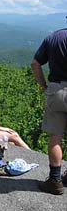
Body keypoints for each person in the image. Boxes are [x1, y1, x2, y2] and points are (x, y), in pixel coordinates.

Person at [31, 28, 67, 195]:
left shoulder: (54, 37)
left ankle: (55, 181)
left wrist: (43, 85)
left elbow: (35, 64)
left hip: (57, 90)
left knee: (55, 137)